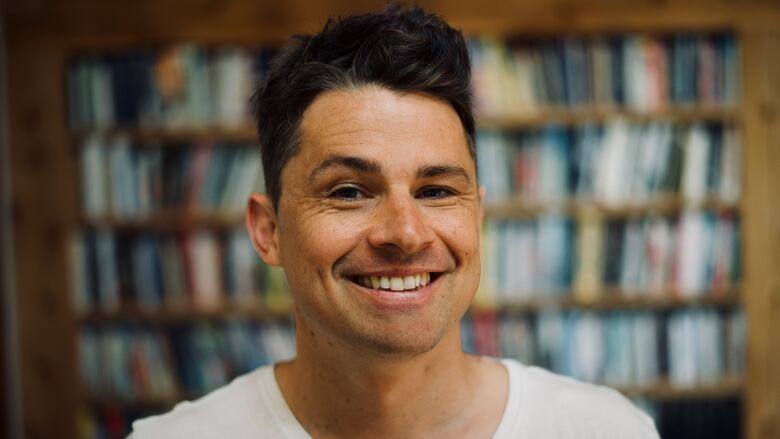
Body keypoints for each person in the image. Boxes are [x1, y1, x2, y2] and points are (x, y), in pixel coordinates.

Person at [130, 5, 659, 438]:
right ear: (267, 230)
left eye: (435, 191)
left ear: (477, 216)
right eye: (348, 192)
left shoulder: (606, 430)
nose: (406, 233)